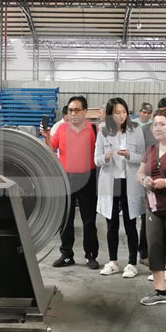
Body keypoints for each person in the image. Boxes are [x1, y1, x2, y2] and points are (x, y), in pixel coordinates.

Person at [137, 107, 166, 306]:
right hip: (153, 207)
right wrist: (144, 179)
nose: (157, 127)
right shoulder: (152, 150)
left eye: (162, 124)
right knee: (155, 248)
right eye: (155, 124)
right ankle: (160, 291)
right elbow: (140, 172)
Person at [94, 97, 146, 278]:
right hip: (111, 182)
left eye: (124, 112)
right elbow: (96, 159)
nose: (122, 115)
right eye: (117, 112)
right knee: (112, 223)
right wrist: (106, 158)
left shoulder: (136, 129)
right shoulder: (103, 130)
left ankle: (132, 263)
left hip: (129, 181)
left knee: (131, 223)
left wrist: (130, 155)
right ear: (110, 114)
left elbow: (143, 156)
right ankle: (113, 261)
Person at [50, 96, 100, 269]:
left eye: (77, 110)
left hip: (88, 178)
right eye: (70, 110)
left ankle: (91, 255)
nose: (73, 113)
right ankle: (66, 254)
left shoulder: (94, 129)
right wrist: (46, 136)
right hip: (66, 178)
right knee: (66, 219)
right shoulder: (61, 129)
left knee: (89, 220)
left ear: (85, 112)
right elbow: (51, 148)